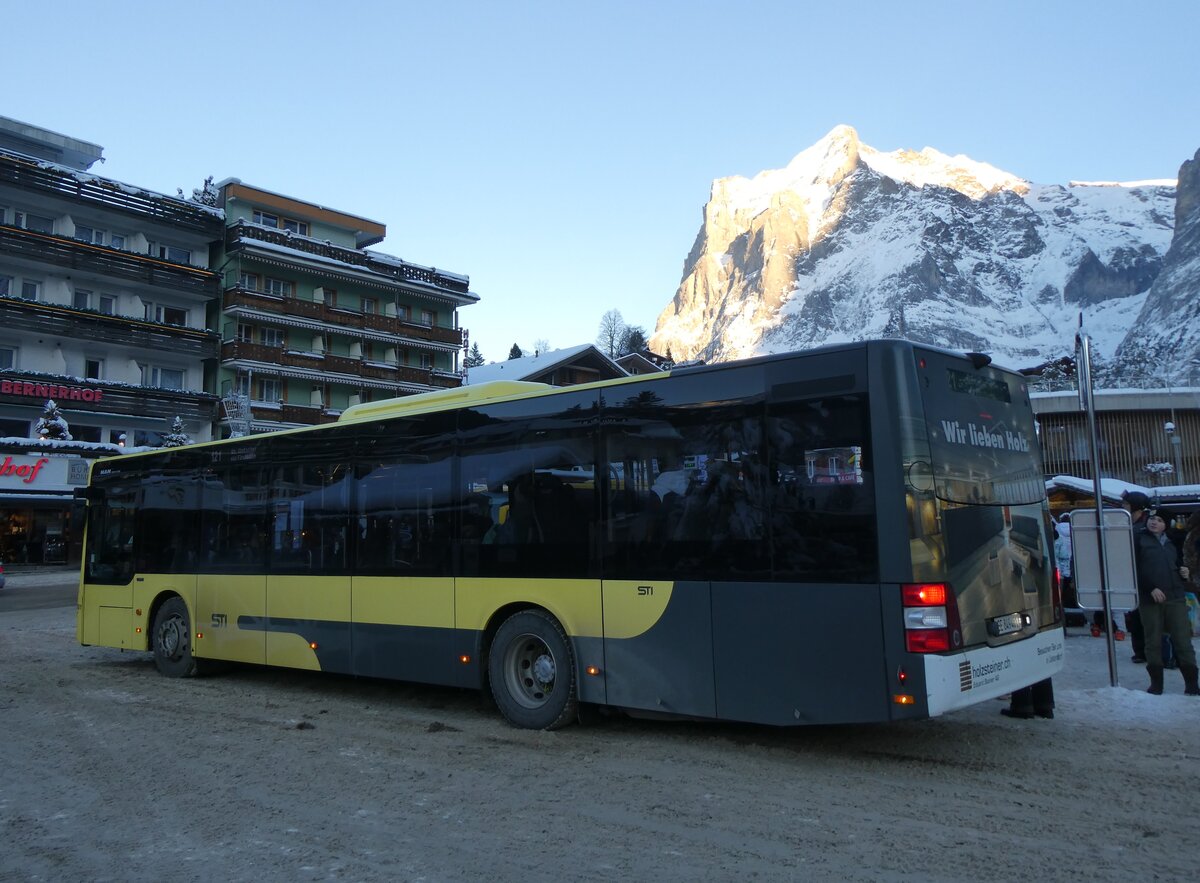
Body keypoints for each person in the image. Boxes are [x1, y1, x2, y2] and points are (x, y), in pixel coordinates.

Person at [1132, 510, 1199, 695]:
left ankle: (1192, 684)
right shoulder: (1138, 540)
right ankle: (1156, 684)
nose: (1154, 522)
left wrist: (1184, 572)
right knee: (1153, 641)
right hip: (1150, 598)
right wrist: (1150, 588)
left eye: (1160, 520)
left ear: (1166, 525)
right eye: (1152, 518)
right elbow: (1133, 568)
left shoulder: (1172, 542)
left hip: (1175, 596)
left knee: (1183, 641)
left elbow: (1177, 564)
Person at [1121, 490, 1152, 662]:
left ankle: (1144, 651)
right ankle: (1141, 651)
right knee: (1137, 616)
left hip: (1143, 579)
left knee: (1143, 617)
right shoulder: (1134, 525)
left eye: (1126, 504)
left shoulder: (1141, 528)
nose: (1123, 506)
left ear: (1136, 507)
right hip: (1135, 579)